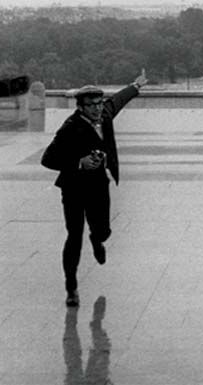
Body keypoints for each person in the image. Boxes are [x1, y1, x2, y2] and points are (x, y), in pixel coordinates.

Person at [41, 70, 147, 307]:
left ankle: (97, 239)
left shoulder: (105, 115)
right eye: (91, 106)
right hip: (74, 188)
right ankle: (71, 287)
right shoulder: (70, 127)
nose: (97, 109)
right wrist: (79, 163)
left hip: (99, 185)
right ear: (80, 107)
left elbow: (117, 101)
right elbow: (47, 159)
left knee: (103, 231)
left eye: (99, 104)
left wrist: (136, 86)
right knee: (74, 236)